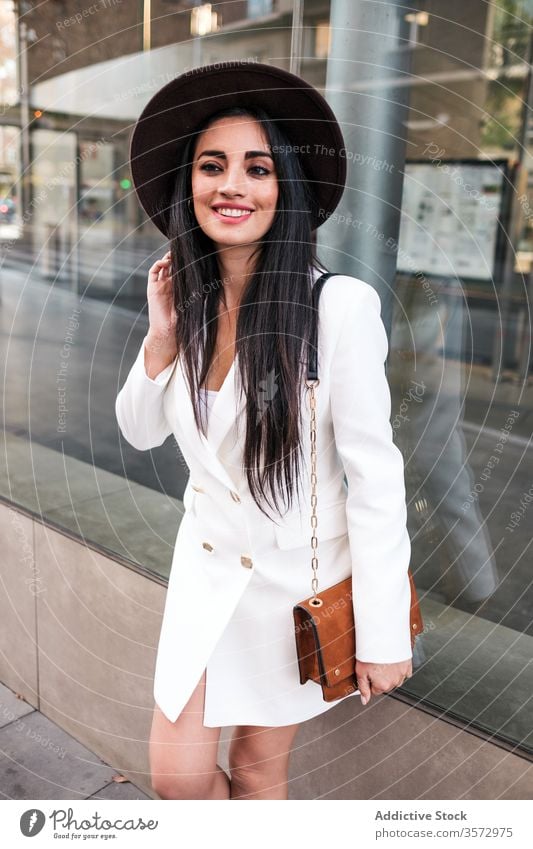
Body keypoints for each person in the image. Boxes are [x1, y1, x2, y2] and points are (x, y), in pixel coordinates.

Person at [116, 61, 413, 801]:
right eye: (212, 166)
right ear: (188, 186)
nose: (232, 186)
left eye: (257, 168)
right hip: (204, 576)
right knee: (177, 776)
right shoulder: (187, 301)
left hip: (291, 590)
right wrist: (159, 342)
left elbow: (375, 477)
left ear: (284, 188)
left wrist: (381, 635)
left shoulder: (337, 307)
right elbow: (139, 430)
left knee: (255, 772)